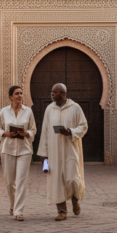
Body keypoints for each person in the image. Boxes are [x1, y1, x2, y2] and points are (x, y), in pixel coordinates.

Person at [37, 83, 88, 221]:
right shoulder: (49, 109)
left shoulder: (75, 108)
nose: (52, 94)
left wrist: (70, 131)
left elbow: (83, 126)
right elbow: (45, 131)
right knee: (56, 181)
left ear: (63, 94)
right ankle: (62, 211)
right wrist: (44, 155)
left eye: (55, 92)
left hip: (71, 150)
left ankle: (75, 199)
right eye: (52, 92)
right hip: (53, 152)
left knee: (72, 178)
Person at [0, 85, 37, 221]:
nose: (20, 96)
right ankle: (13, 205)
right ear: (11, 96)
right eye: (17, 93)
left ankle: (19, 211)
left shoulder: (28, 112)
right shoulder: (3, 112)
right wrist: (5, 133)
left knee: (21, 181)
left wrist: (26, 133)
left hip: (24, 150)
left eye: (21, 93)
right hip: (7, 149)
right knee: (9, 182)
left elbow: (33, 130)